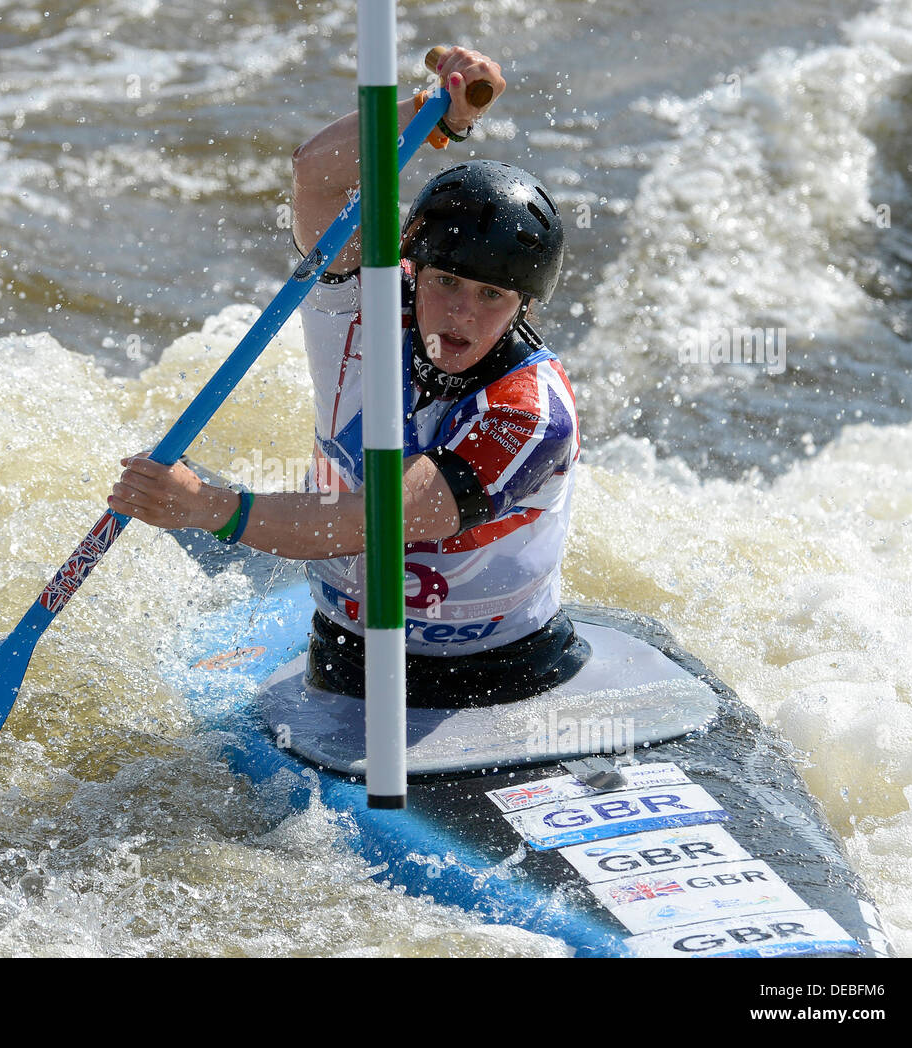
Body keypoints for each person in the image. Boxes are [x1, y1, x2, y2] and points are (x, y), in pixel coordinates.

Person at [109, 46, 587, 708]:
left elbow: (383, 521)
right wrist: (432, 113)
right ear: (412, 270)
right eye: (447, 282)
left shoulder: (531, 412)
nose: (460, 315)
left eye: (491, 298)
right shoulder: (362, 303)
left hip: (501, 679)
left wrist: (208, 509)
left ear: (524, 307)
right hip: (347, 657)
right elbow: (318, 176)